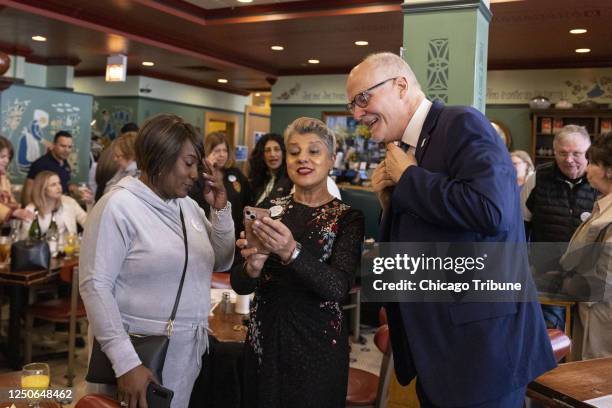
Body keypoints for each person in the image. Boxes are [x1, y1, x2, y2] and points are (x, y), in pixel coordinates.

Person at [347, 52, 555, 407]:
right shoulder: (405, 150)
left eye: (362, 99)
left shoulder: (461, 123)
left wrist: (410, 178)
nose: (356, 114)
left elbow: (492, 212)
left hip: (481, 354)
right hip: (438, 352)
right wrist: (389, 204)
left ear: (401, 86)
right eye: (352, 104)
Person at [79, 114, 235, 408]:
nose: (194, 174)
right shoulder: (117, 207)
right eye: (188, 163)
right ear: (160, 157)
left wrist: (221, 210)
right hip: (137, 353)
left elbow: (221, 261)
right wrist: (126, 363)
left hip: (186, 351)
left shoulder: (188, 207)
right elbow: (94, 287)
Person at [231, 117, 364, 408]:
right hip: (264, 340)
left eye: (314, 151)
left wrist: (292, 252)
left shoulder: (347, 218)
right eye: (294, 151)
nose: (302, 158)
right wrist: (252, 267)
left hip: (317, 346)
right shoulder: (269, 212)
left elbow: (338, 288)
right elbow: (239, 284)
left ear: (331, 159)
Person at [522, 125, 598, 329]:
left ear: (588, 153)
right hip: (546, 276)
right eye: (563, 153)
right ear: (554, 152)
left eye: (577, 153)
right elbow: (521, 226)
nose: (569, 159)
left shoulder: (601, 182)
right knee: (550, 335)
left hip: (589, 278)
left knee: (584, 335)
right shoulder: (537, 178)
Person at [559, 132, 612, 360]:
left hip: (602, 317)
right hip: (592, 311)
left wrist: (567, 282)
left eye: (592, 163)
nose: (587, 169)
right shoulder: (603, 205)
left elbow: (606, 277)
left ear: (609, 170)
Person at [189, 131, 251, 241]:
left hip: (234, 235)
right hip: (203, 235)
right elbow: (192, 199)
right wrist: (207, 169)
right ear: (208, 153)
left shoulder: (235, 173)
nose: (222, 154)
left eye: (225, 150)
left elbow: (248, 199)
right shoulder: (199, 174)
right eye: (217, 151)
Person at [22, 130, 92, 206]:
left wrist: (74, 189)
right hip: (46, 209)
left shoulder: (65, 163)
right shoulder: (40, 164)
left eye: (69, 147)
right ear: (53, 145)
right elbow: (28, 192)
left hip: (62, 206)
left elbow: (64, 183)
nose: (66, 150)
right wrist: (29, 212)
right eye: (63, 146)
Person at [20, 171, 87, 238]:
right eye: (53, 185)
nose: (59, 187)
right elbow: (25, 238)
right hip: (41, 247)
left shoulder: (69, 202)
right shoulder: (30, 209)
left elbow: (86, 221)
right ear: (42, 189)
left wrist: (91, 204)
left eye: (59, 183)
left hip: (68, 247)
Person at [249, 133, 292, 206]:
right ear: (262, 155)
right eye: (267, 150)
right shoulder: (259, 180)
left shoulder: (291, 181)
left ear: (284, 153)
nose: (272, 154)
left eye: (277, 149)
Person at [0, 135, 35, 223]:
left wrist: (18, 208)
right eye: (2, 157)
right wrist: (13, 212)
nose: (7, 161)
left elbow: (9, 199)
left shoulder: (4, 179)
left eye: (8, 157)